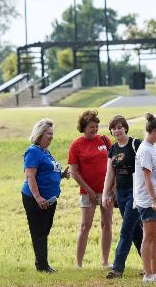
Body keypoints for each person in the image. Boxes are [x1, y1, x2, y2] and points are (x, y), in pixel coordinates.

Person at [68, 110, 113, 269]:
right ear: (84, 127)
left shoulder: (105, 140)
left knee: (107, 223)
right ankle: (79, 264)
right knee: (85, 225)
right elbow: (74, 172)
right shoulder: (76, 145)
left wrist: (112, 188)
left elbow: (113, 164)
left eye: (96, 126)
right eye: (91, 127)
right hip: (88, 192)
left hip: (107, 190)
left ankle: (105, 261)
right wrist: (89, 191)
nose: (94, 130)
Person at [21, 119, 65, 273]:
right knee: (39, 231)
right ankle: (42, 266)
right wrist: (38, 198)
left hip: (50, 199)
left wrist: (63, 174)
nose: (51, 137)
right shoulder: (33, 151)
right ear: (40, 134)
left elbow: (49, 172)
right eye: (49, 134)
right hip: (36, 198)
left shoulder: (45, 151)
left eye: (52, 134)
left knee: (44, 230)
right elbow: (30, 176)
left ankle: (42, 263)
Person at [103, 115, 144, 279]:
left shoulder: (136, 144)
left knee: (126, 230)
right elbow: (109, 173)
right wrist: (106, 193)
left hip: (136, 193)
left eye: (120, 127)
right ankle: (155, 263)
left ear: (125, 128)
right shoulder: (112, 149)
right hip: (121, 194)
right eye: (114, 128)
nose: (117, 130)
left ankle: (117, 268)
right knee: (135, 231)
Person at [134, 114, 156, 283]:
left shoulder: (153, 147)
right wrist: (154, 199)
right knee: (148, 237)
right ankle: (148, 274)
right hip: (149, 200)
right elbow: (147, 178)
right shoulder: (145, 150)